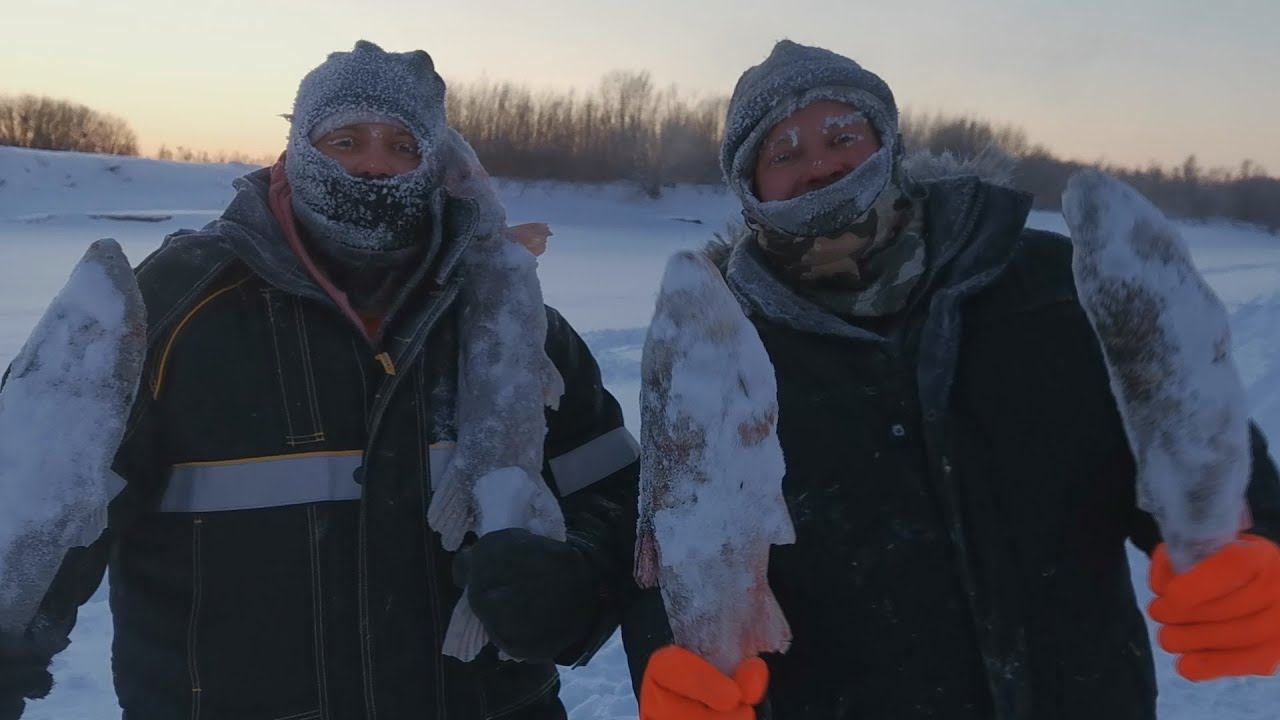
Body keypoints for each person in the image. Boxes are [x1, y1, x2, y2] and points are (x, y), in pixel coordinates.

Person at [625, 40, 1280, 720]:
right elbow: (679, 548)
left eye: (841, 135)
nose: (819, 165)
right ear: (750, 187)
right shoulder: (717, 347)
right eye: (784, 153)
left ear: (887, 141)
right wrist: (670, 666)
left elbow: (1189, 426)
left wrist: (1257, 543)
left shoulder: (1047, 283)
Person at [0, 41, 642, 720]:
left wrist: (573, 584)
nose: (374, 163)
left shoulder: (511, 320)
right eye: (346, 137)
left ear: (436, 161)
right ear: (298, 147)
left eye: (403, 144)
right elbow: (26, 512)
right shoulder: (171, 304)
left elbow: (619, 495)